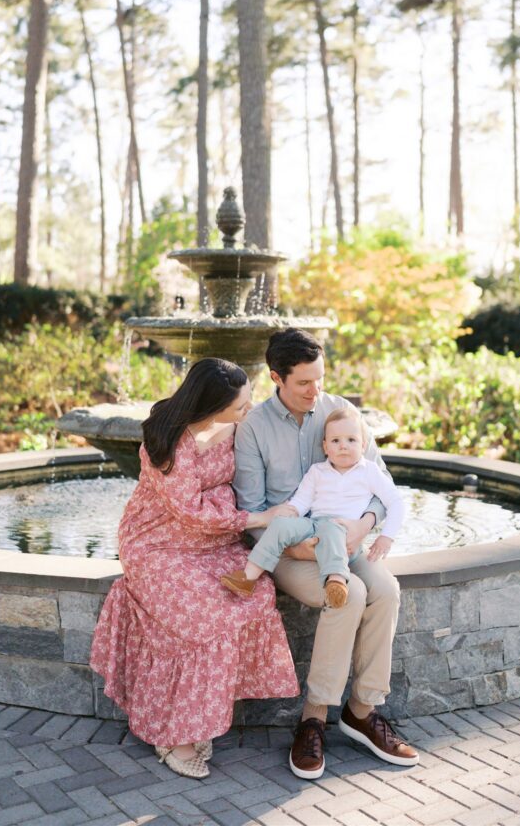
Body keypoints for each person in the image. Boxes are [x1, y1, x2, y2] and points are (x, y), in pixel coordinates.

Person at [89, 358, 299, 780]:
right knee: (202, 613)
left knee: (253, 592)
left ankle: (199, 715)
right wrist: (260, 518)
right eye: (240, 405)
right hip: (159, 543)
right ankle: (174, 732)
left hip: (215, 541)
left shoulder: (237, 426)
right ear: (210, 405)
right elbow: (190, 512)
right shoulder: (167, 439)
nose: (248, 409)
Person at [233, 329, 419, 780]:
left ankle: (362, 710)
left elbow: (382, 485)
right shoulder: (254, 427)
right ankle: (313, 718)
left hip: (348, 542)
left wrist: (365, 525)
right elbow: (251, 512)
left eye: (319, 378)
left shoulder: (342, 414)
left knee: (386, 590)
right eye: (303, 382)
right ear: (276, 377)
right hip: (290, 550)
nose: (315, 391)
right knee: (349, 594)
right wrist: (296, 547)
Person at [221, 407, 405, 610]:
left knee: (332, 528)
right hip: (314, 525)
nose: (343, 446)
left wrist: (387, 536)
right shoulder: (317, 471)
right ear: (325, 447)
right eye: (335, 441)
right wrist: (290, 511)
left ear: (363, 445)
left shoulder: (369, 471)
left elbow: (395, 501)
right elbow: (302, 501)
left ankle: (336, 580)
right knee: (281, 525)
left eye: (351, 440)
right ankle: (248, 577)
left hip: (344, 534)